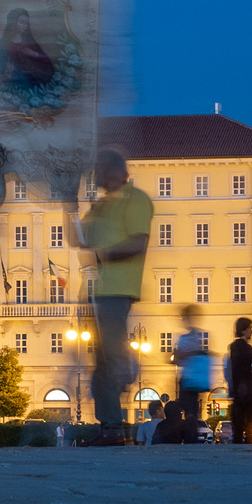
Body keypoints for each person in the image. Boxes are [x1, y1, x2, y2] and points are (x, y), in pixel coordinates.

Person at [78, 148, 153, 444]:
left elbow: (139, 242)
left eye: (102, 170)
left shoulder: (137, 199)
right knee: (102, 360)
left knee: (108, 359)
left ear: (119, 172)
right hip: (99, 291)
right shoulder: (101, 205)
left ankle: (112, 425)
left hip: (118, 289)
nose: (98, 176)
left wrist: (105, 254)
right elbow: (80, 240)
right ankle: (110, 426)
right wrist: (71, 209)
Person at [173, 305, 211, 427]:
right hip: (194, 379)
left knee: (189, 408)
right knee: (191, 408)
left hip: (189, 378)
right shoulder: (197, 335)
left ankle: (191, 434)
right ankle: (191, 433)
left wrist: (180, 355)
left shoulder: (187, 337)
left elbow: (181, 357)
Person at [226, 317, 252, 444]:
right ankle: (250, 448)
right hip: (248, 390)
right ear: (245, 330)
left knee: (238, 427)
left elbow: (230, 368)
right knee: (251, 424)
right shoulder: (247, 347)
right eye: (250, 328)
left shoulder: (233, 347)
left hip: (237, 391)